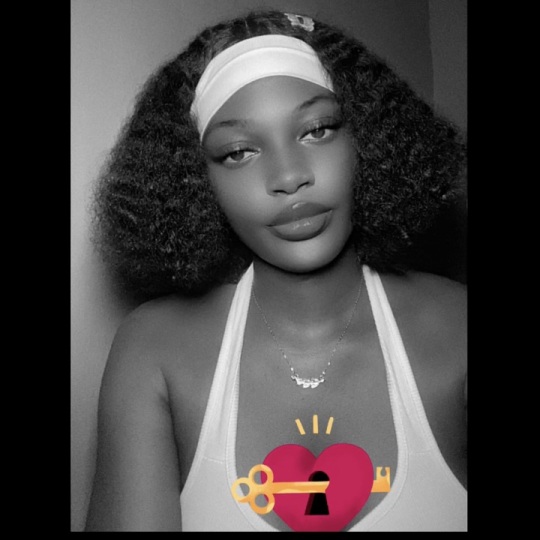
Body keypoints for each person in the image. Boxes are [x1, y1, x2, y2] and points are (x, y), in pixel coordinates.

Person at [85, 9, 467, 532]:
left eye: (317, 130)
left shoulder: (458, 328)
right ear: (196, 181)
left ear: (368, 139)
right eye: (238, 152)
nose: (288, 176)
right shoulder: (153, 352)